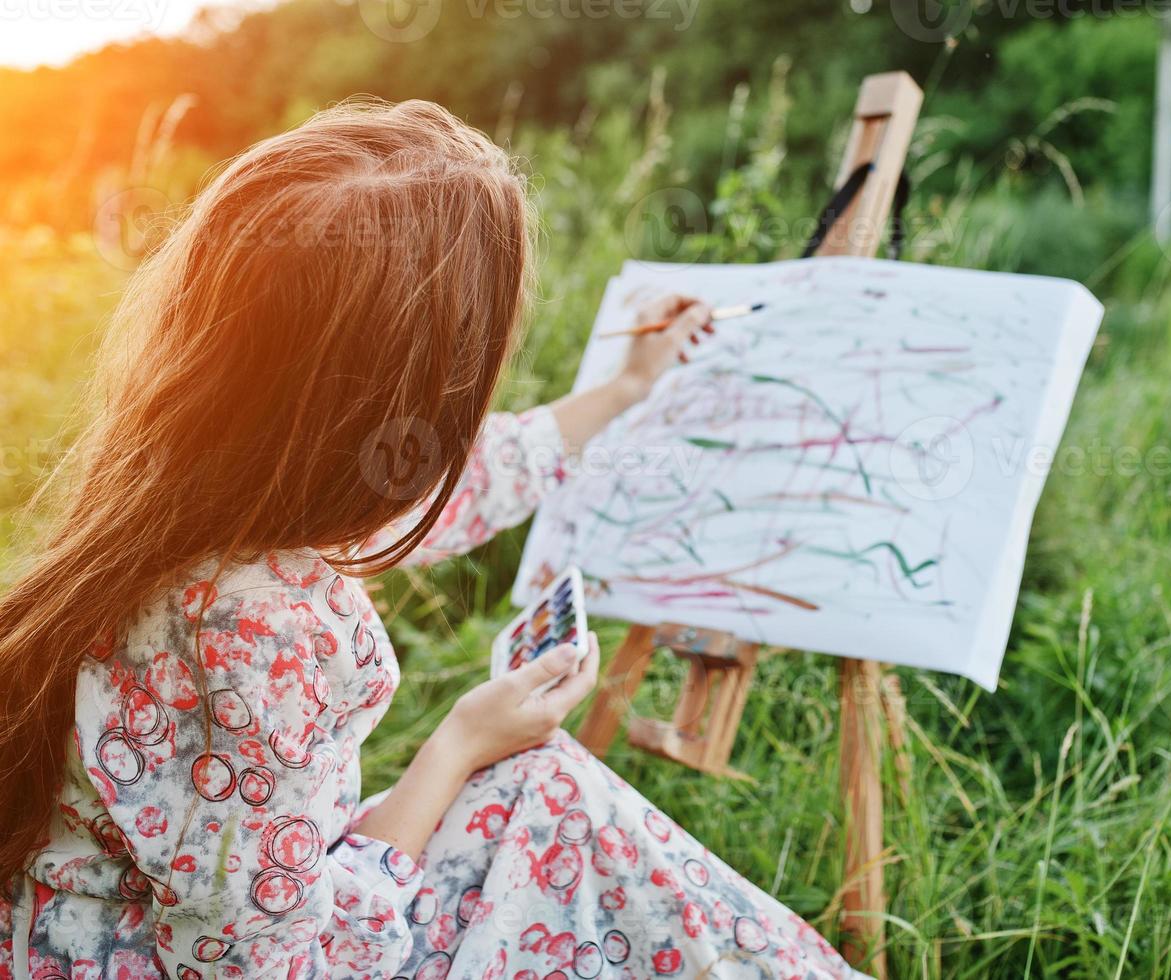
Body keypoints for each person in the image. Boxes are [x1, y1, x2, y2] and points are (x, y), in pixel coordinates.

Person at [0, 99, 865, 979]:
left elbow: (445, 492)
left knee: (537, 789)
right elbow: (270, 970)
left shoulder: (193, 492)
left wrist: (626, 389)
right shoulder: (263, 633)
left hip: (147, 930)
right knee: (548, 792)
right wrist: (455, 744)